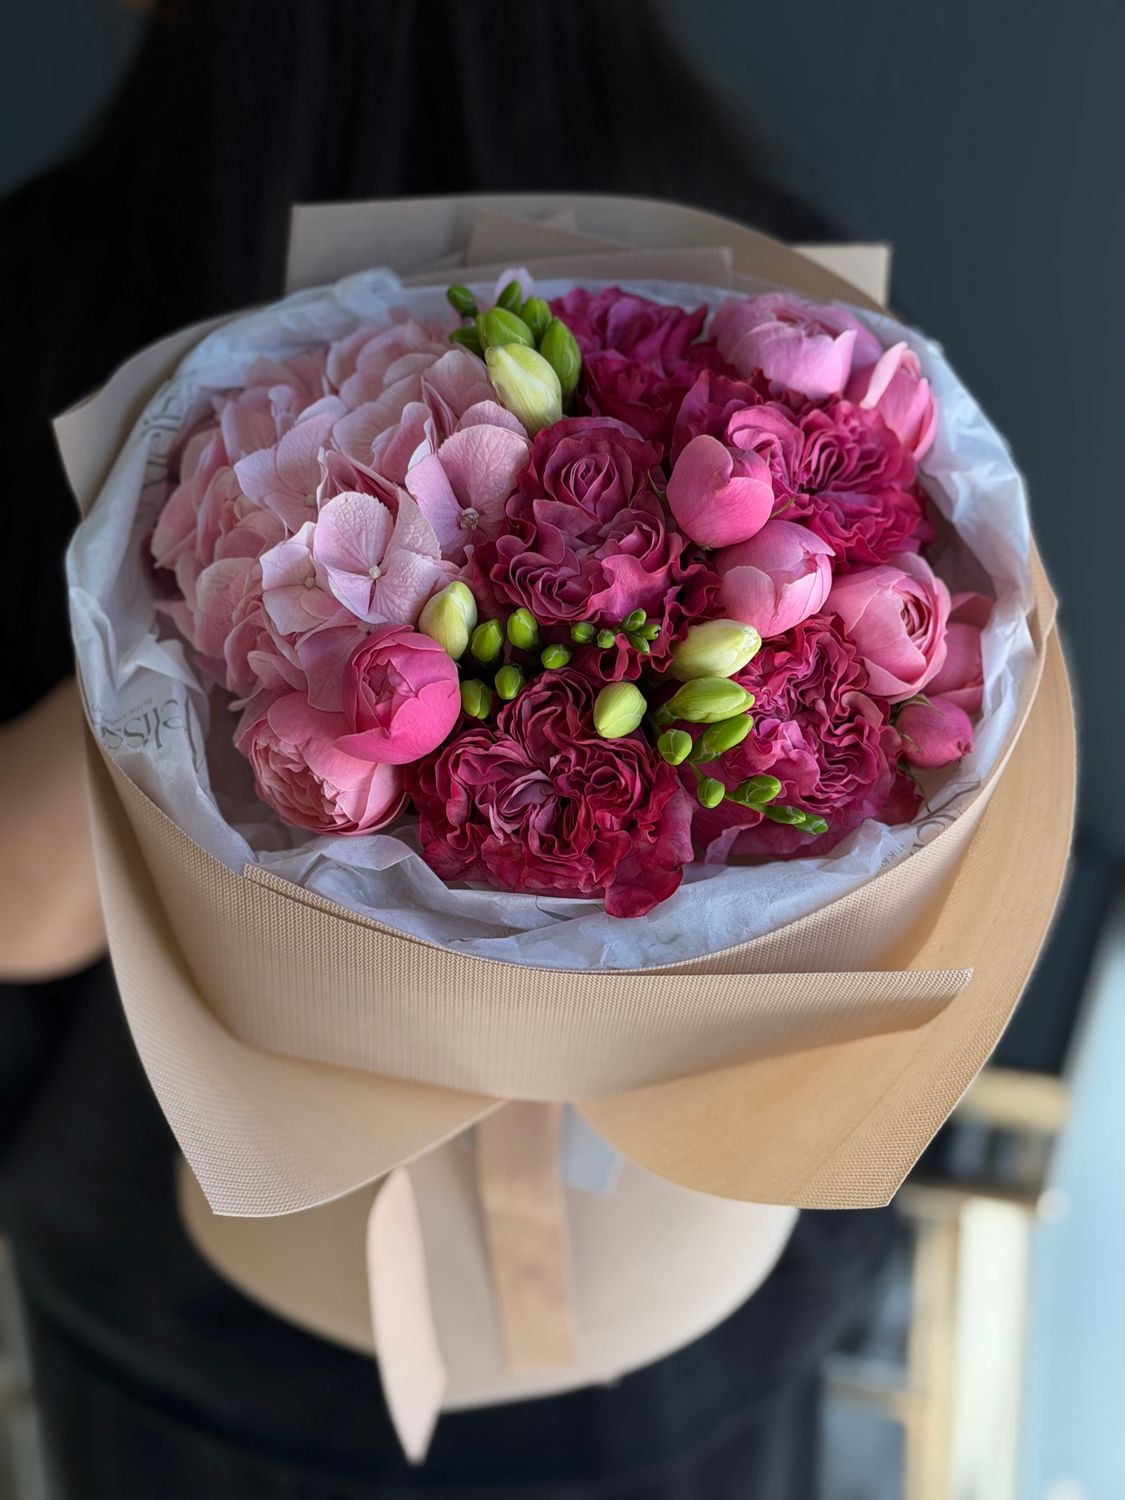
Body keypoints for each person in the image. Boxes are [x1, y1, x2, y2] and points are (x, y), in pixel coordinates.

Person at [0, 3, 891, 1495]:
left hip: (214, 1313)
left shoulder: (47, 293)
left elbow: (23, 907)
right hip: (681, 1278)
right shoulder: (767, 299)